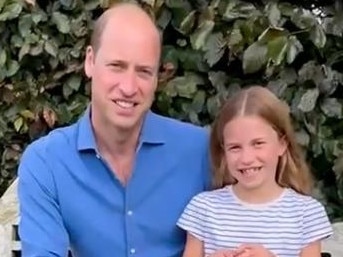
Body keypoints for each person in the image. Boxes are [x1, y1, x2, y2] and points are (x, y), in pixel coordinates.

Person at [17, 3, 211, 257]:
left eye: (143, 71)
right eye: (117, 66)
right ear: (90, 61)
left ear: (156, 78)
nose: (129, 87)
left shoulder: (200, 151)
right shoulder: (48, 162)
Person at [177, 86, 333, 257]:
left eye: (258, 143)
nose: (246, 158)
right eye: (235, 147)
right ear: (223, 152)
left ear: (282, 144)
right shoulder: (203, 208)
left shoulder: (307, 214)